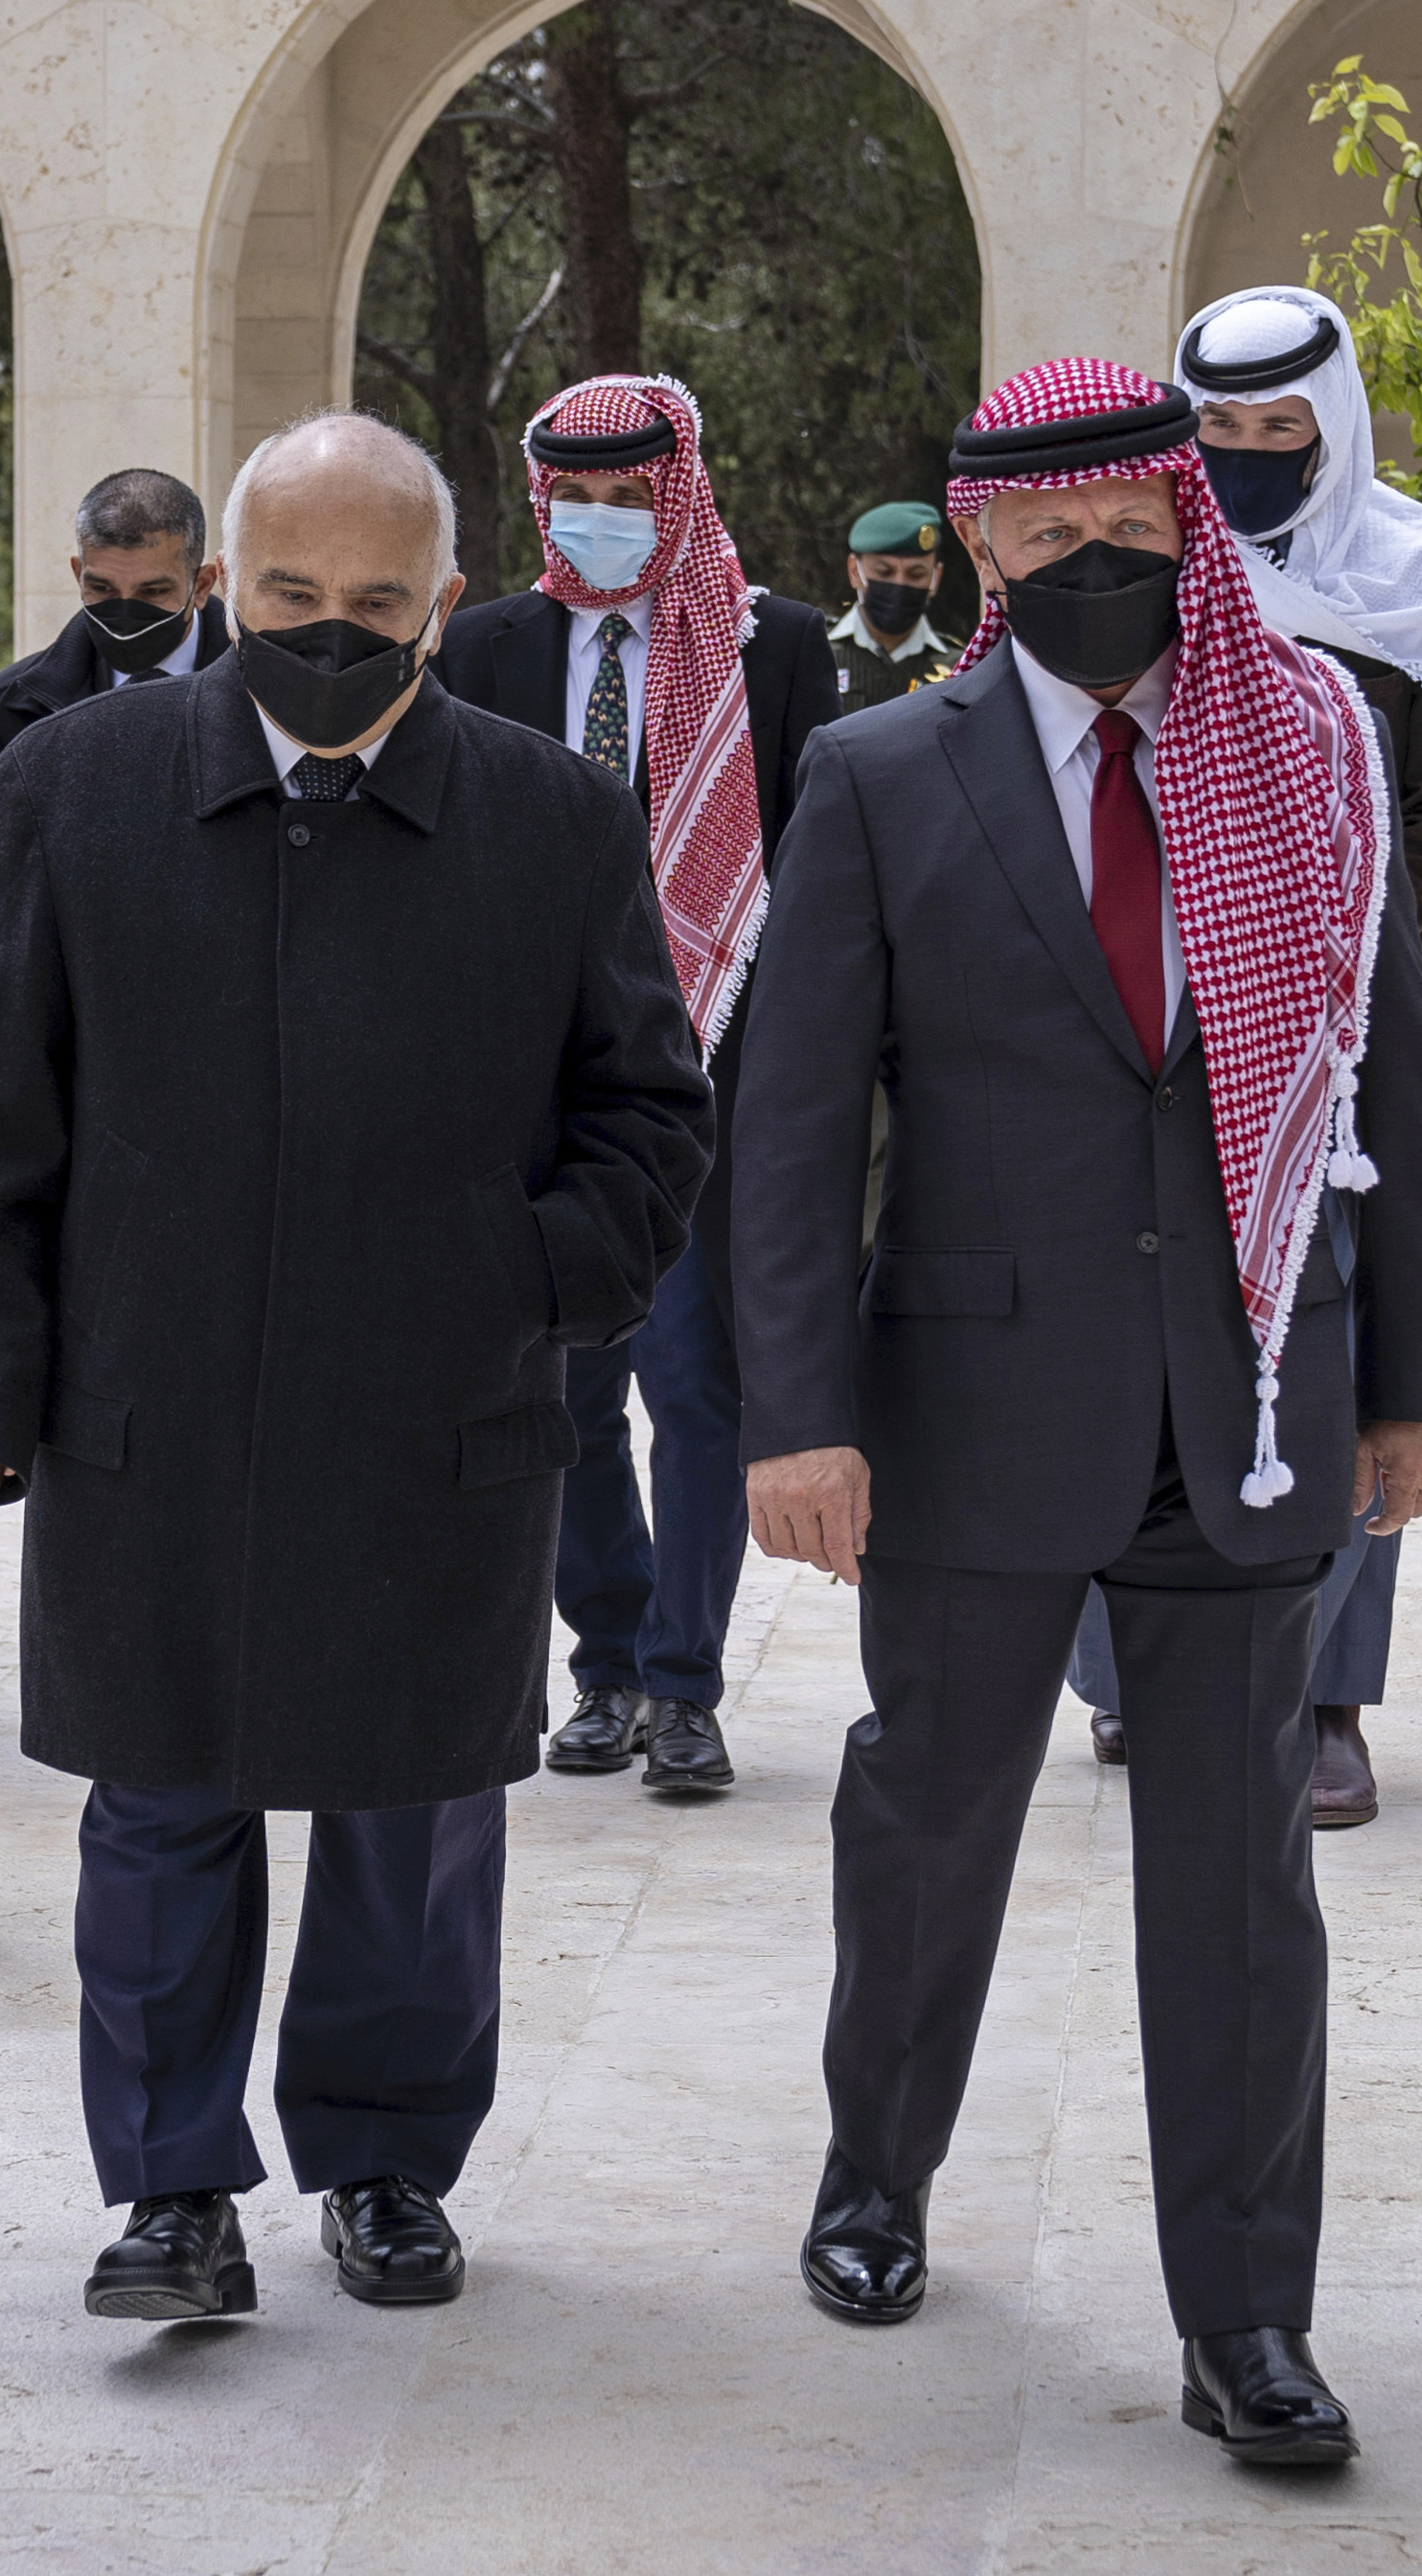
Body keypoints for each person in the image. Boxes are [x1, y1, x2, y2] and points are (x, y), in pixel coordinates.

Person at [727, 355, 1422, 2467]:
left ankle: (1246, 2322)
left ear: (1184, 526)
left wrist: (1414, 1376)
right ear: (978, 541)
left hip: (1248, 1397)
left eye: (1131, 531)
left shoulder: (1305, 746)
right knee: (929, 1814)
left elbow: (1385, 1081)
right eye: (1046, 539)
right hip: (967, 1409)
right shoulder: (880, 769)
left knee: (1236, 1877)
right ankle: (875, 2167)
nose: (1095, 568)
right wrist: (794, 1412)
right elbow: (792, 1125)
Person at [0, 412, 713, 2324]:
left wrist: (514, 1275)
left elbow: (651, 1118)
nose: (323, 628)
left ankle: (383, 2158)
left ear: (442, 603)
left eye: (368, 599)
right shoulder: (70, 784)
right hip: (143, 1402)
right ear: (214, 589)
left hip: (436, 1413)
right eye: (283, 593)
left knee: (411, 1809)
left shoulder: (556, 814)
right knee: (158, 1800)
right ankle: (169, 2186)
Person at [1063, 284, 1422, 1823]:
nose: (1248, 457)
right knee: (1132, 1323)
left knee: (1338, 1341)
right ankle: (1130, 1677)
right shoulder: (1149, 564)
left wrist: (1324, 918)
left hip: (1343, 1024)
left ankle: (1326, 1700)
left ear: (1332, 424)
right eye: (1222, 432)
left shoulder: (1406, 572)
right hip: (1148, 1008)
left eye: (1277, 431)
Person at [433, 378, 835, 1796]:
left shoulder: (766, 647)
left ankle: (685, 1684)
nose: (598, 523)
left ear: (677, 491)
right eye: (573, 498)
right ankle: (602, 1667)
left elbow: (814, 871)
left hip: (702, 1068)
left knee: (693, 1379)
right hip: (535, 1086)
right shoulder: (481, 647)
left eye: (626, 497)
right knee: (569, 1387)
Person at [0, 465, 228, 846]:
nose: (125, 612)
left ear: (201, 586)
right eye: (101, 588)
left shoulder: (263, 688)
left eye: (152, 592)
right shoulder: (13, 707)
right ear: (77, 574)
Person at [824, 500, 960, 706]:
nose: (899, 584)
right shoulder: (817, 652)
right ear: (854, 571)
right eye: (884, 572)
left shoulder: (960, 668)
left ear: (936, 577)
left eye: (916, 575)